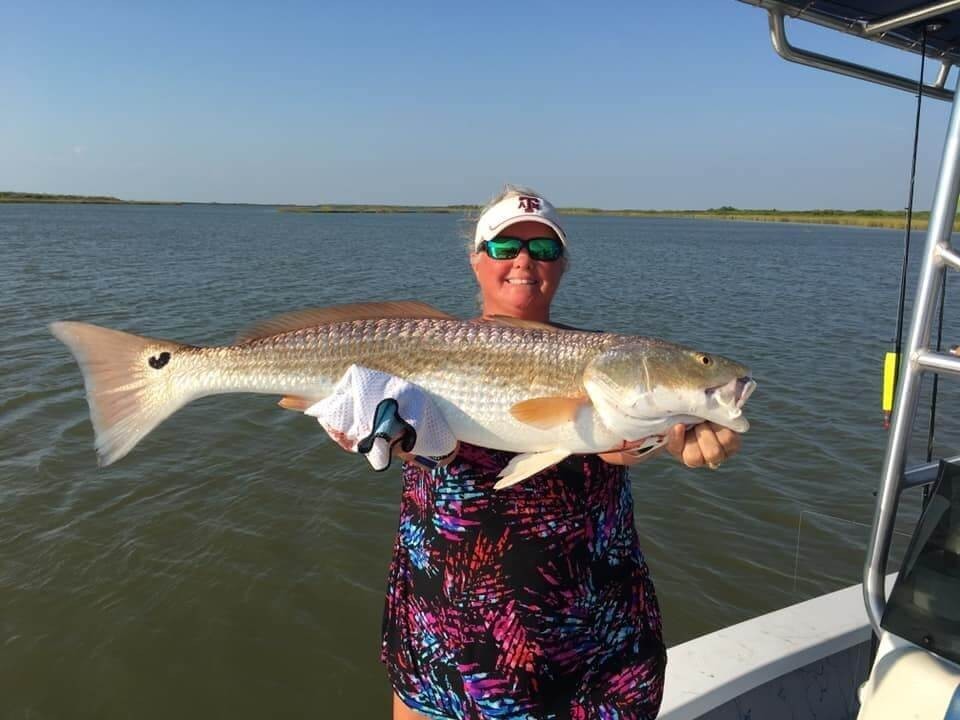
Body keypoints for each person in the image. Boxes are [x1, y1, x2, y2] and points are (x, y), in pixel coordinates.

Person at [326, 186, 742, 719]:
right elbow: (402, 438)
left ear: (562, 265)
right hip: (445, 631)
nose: (525, 260)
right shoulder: (420, 341)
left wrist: (676, 434)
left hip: (588, 646)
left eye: (544, 250)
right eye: (505, 248)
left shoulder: (607, 362)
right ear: (477, 259)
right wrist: (366, 428)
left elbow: (622, 448)